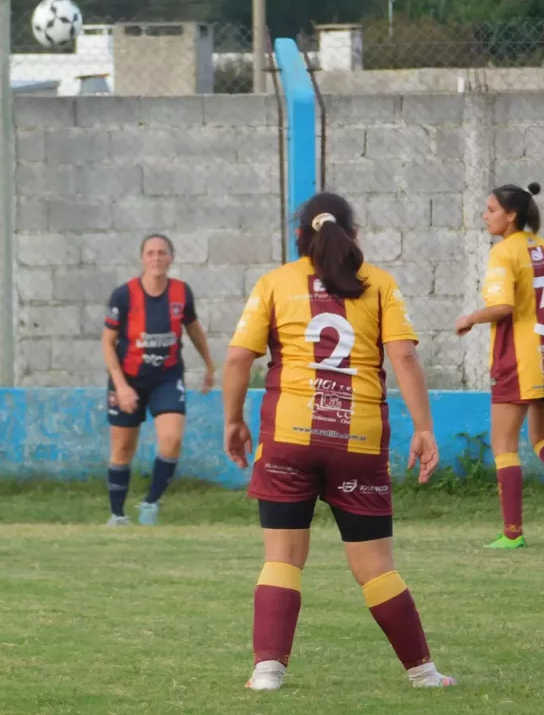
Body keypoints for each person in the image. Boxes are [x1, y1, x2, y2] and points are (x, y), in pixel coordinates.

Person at [222, 192, 456, 692]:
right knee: (375, 568)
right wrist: (423, 427)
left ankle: (267, 671)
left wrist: (233, 421)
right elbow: (405, 359)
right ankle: (424, 673)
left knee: (282, 558)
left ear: (299, 236)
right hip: (359, 441)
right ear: (354, 235)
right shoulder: (378, 284)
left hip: (288, 438)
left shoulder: (275, 283)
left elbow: (239, 360)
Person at [454, 183, 544, 549]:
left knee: (503, 443)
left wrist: (470, 318)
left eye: (491, 209)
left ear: (511, 215)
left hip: (518, 358)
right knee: (543, 436)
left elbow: (503, 308)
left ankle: (512, 533)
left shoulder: (503, 253)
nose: (485, 215)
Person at [101, 233, 214, 527]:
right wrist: (122, 386)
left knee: (171, 438)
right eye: (150, 253)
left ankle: (150, 502)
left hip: (166, 376)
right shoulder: (124, 295)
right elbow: (107, 343)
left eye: (162, 253)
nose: (156, 258)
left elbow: (193, 328)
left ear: (171, 258)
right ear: (142, 259)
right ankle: (117, 515)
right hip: (127, 378)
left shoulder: (180, 292)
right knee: (123, 448)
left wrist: (210, 365)